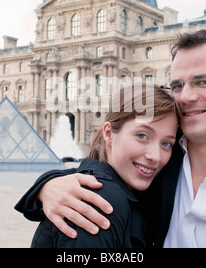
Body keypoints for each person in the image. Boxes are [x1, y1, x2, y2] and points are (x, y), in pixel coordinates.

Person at [18, 30, 206, 247]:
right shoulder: (148, 175)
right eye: (177, 85)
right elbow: (99, 177)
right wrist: (48, 186)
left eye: (203, 81)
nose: (186, 96)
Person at [15, 83, 179, 247]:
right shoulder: (98, 200)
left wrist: (44, 184)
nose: (155, 156)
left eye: (166, 144)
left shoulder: (131, 190)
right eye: (142, 135)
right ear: (108, 134)